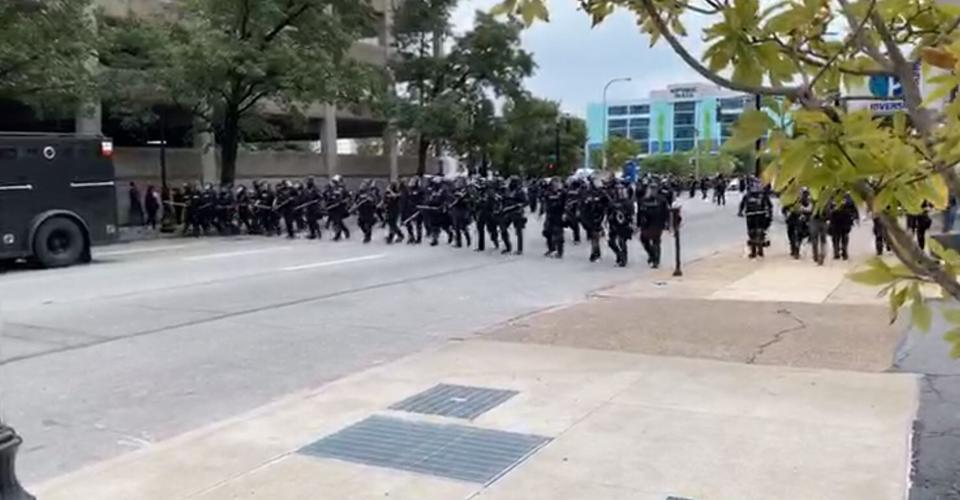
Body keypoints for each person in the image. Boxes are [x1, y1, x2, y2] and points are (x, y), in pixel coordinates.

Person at [637, 181, 670, 268]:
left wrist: (667, 224)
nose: (652, 190)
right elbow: (639, 213)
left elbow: (666, 212)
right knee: (644, 239)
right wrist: (638, 224)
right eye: (651, 188)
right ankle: (651, 254)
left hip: (657, 223)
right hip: (646, 224)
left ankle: (656, 261)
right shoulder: (643, 200)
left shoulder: (662, 200)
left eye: (654, 188)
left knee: (656, 241)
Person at [738, 179, 773, 258]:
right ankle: (753, 250)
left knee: (760, 231)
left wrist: (769, 214)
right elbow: (742, 204)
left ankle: (759, 248)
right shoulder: (748, 195)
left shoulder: (762, 195)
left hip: (760, 215)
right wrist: (740, 211)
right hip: (751, 216)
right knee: (751, 232)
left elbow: (769, 206)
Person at [607, 180, 635, 267]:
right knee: (611, 242)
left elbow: (632, 214)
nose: (620, 191)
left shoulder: (628, 202)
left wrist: (632, 223)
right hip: (613, 224)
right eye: (618, 190)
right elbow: (608, 213)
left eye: (621, 189)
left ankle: (624, 259)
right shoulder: (612, 202)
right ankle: (619, 255)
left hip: (624, 225)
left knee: (621, 241)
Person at [582, 177, 608, 262]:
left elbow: (608, 202)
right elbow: (584, 202)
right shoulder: (588, 192)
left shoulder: (603, 192)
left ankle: (596, 254)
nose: (598, 184)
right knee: (593, 235)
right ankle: (595, 253)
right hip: (590, 216)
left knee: (595, 235)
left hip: (600, 216)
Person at [499, 176, 527, 255]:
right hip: (507, 212)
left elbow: (525, 202)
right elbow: (503, 200)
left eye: (514, 182)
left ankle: (519, 249)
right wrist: (502, 208)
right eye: (511, 181)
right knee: (503, 228)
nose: (512, 183)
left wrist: (518, 205)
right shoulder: (506, 190)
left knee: (519, 232)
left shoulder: (520, 191)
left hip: (517, 212)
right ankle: (508, 247)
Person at [784, 188, 813, 259]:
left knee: (801, 234)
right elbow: (785, 209)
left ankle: (797, 249)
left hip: (802, 220)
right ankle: (793, 247)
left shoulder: (807, 201)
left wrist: (803, 211)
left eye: (805, 194)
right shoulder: (792, 201)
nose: (803, 195)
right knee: (791, 233)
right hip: (792, 220)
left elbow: (810, 210)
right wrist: (788, 213)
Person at [828, 193, 859, 260]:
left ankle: (843, 251)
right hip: (835, 220)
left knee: (843, 236)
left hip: (845, 220)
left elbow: (853, 208)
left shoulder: (848, 198)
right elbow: (828, 208)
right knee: (836, 237)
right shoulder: (832, 197)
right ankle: (837, 252)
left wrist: (855, 217)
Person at [541, 177, 566, 258]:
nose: (555, 184)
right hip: (550, 214)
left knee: (559, 234)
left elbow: (566, 203)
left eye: (557, 183)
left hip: (559, 214)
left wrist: (565, 213)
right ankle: (551, 249)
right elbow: (545, 201)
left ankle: (560, 252)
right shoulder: (548, 192)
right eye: (554, 183)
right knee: (547, 232)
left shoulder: (563, 193)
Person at [474, 178, 500, 251]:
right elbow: (477, 202)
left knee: (491, 229)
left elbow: (494, 202)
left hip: (489, 212)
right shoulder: (480, 193)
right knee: (480, 229)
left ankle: (495, 242)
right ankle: (481, 246)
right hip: (482, 212)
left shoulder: (491, 192)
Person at [449, 177, 472, 248]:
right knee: (456, 227)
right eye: (458, 182)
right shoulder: (454, 190)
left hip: (463, 209)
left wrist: (464, 200)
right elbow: (451, 198)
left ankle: (468, 240)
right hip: (456, 209)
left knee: (463, 226)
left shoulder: (467, 190)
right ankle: (459, 242)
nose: (459, 183)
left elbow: (470, 199)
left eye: (460, 181)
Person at [402, 177, 424, 244]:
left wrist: (419, 204)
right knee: (408, 223)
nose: (412, 182)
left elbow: (423, 198)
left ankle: (419, 238)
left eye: (414, 181)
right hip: (409, 209)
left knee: (418, 224)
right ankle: (411, 236)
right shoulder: (408, 190)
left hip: (418, 209)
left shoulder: (420, 190)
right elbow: (405, 198)